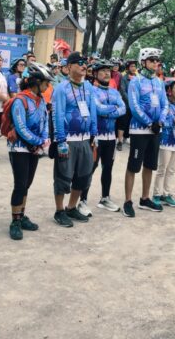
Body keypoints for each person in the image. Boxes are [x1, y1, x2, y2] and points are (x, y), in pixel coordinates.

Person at [51, 52, 97, 227]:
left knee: (83, 176)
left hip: (85, 139)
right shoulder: (61, 88)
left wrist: (94, 134)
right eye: (79, 63)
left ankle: (71, 207)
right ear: (69, 66)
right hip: (68, 139)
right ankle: (59, 210)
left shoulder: (88, 87)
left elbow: (92, 111)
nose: (84, 66)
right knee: (63, 176)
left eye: (85, 63)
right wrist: (60, 140)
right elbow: (57, 114)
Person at [7, 63, 52, 240]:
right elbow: (21, 127)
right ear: (36, 82)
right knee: (20, 184)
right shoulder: (20, 100)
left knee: (27, 183)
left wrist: (44, 140)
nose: (48, 85)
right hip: (19, 147)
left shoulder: (41, 100)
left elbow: (45, 122)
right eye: (46, 82)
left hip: (34, 148)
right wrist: (39, 142)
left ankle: (21, 214)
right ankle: (15, 221)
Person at [122, 48, 168, 217]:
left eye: (157, 60)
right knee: (133, 166)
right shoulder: (136, 81)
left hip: (155, 130)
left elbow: (165, 104)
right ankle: (128, 201)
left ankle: (145, 198)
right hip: (139, 130)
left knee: (149, 165)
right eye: (152, 60)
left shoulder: (159, 82)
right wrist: (149, 123)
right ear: (143, 62)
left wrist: (160, 121)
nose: (156, 63)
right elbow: (134, 106)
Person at [83, 61, 125, 213]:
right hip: (96, 136)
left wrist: (108, 111)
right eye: (103, 71)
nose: (107, 73)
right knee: (90, 168)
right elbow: (98, 109)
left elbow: (123, 109)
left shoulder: (115, 92)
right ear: (95, 74)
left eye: (108, 71)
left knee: (108, 168)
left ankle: (105, 198)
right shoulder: (91, 91)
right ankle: (82, 200)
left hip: (111, 137)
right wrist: (114, 108)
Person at [153, 78, 175, 208]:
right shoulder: (164, 104)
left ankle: (166, 194)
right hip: (165, 140)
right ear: (169, 91)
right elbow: (160, 122)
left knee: (171, 170)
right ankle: (156, 195)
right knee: (162, 169)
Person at [116, 59, 138, 151]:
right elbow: (122, 91)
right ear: (128, 68)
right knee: (122, 122)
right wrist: (131, 101)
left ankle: (128, 139)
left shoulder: (137, 78)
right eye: (132, 66)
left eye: (134, 66)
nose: (133, 68)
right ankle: (120, 141)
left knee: (131, 123)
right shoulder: (124, 78)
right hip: (126, 105)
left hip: (135, 106)